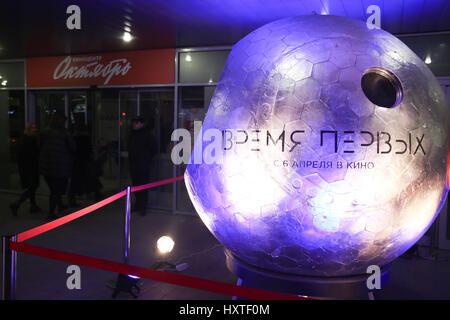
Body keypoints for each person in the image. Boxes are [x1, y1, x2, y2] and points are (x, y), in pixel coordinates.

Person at [39, 113, 75, 220]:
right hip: (60, 166)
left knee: (53, 189)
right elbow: (73, 147)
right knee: (56, 191)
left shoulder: (45, 132)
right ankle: (51, 213)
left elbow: (40, 147)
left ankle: (59, 205)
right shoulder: (64, 133)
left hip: (47, 167)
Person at [10, 122, 41, 216]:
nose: (35, 130)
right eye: (32, 128)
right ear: (28, 129)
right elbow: (32, 154)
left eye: (35, 127)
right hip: (30, 167)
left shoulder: (25, 140)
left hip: (27, 167)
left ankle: (33, 205)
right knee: (32, 187)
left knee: (32, 187)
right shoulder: (30, 140)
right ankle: (17, 203)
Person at [128, 116, 155, 215]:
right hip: (134, 165)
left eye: (136, 123)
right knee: (135, 185)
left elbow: (153, 149)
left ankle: (142, 207)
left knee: (143, 186)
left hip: (143, 166)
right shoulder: (132, 135)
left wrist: (146, 160)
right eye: (134, 123)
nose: (134, 125)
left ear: (141, 124)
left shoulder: (147, 135)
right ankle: (137, 205)